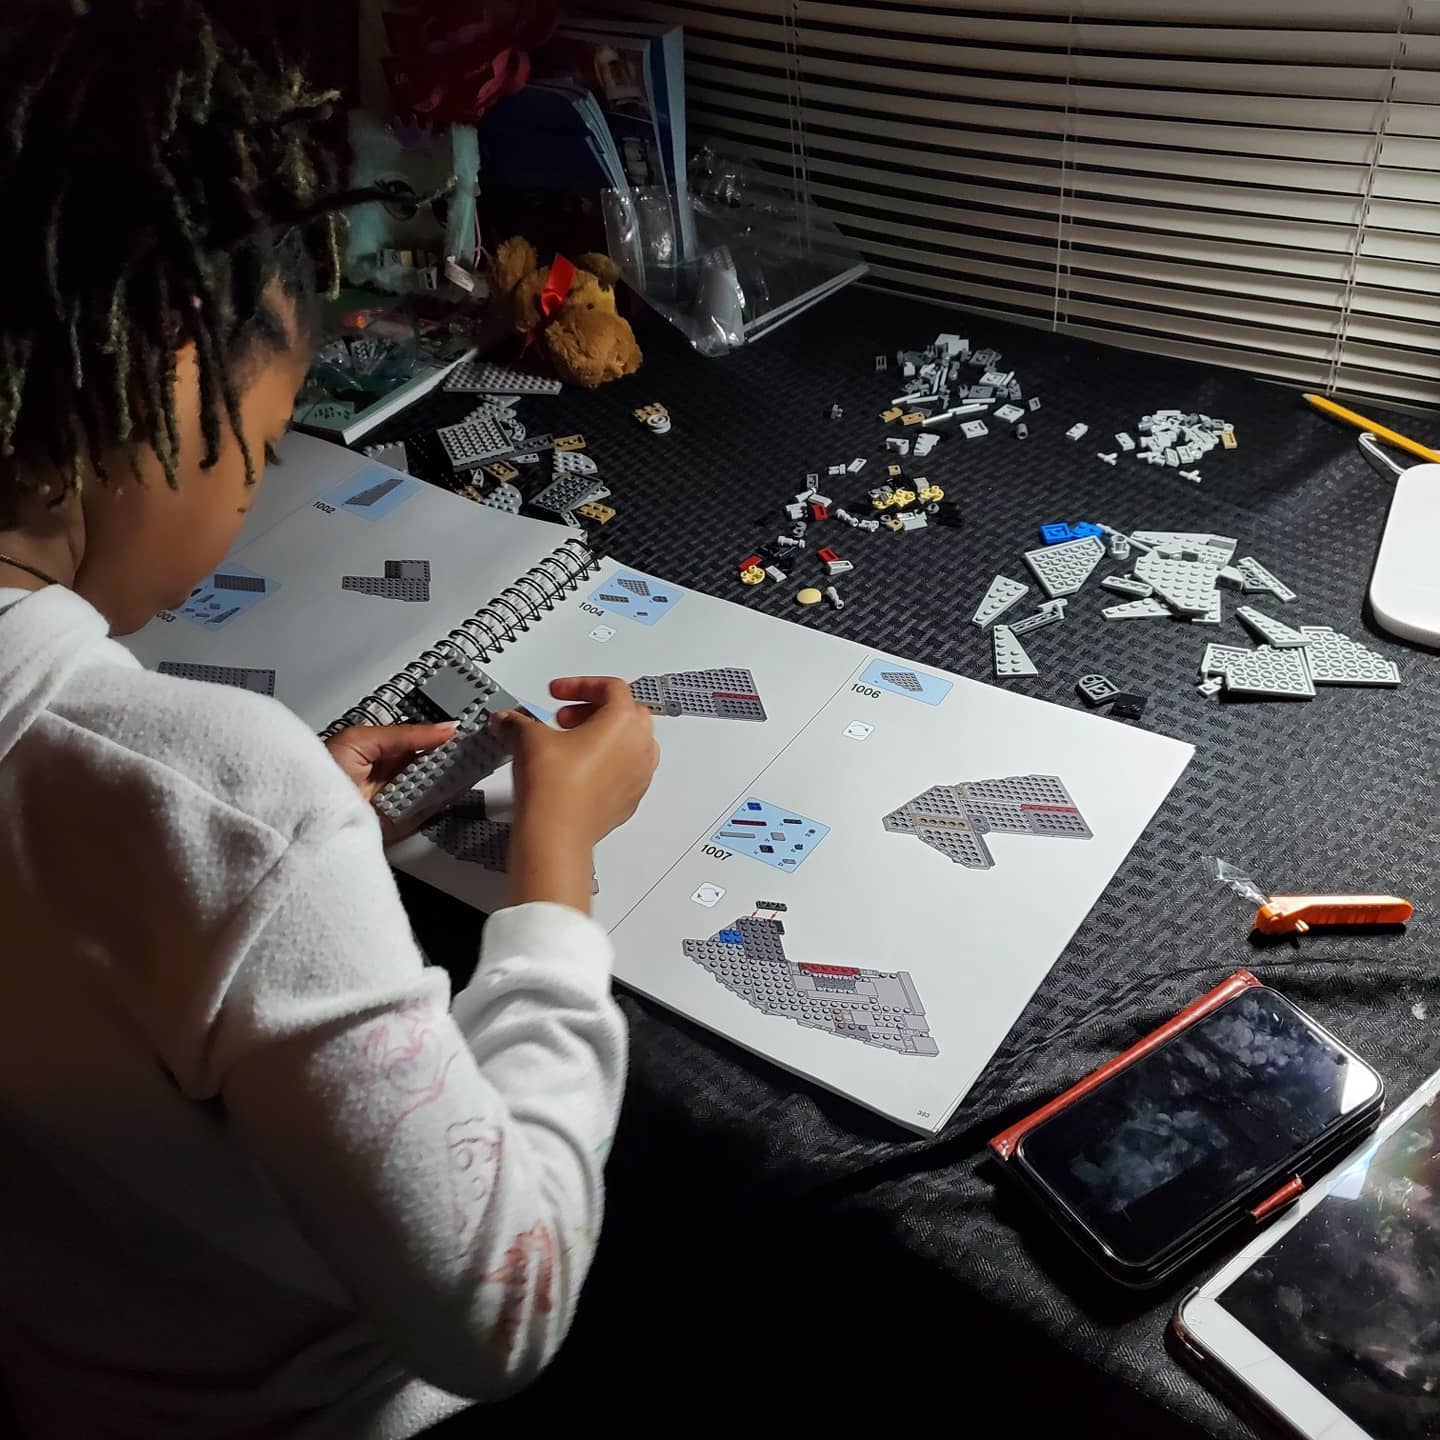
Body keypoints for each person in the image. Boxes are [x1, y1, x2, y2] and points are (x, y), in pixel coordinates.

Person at [0, 3, 658, 1436]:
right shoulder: (233, 805)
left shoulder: (201, 804)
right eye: (261, 447)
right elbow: (502, 1303)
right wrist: (555, 875)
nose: (252, 497)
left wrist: (224, 842)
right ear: (173, 372)